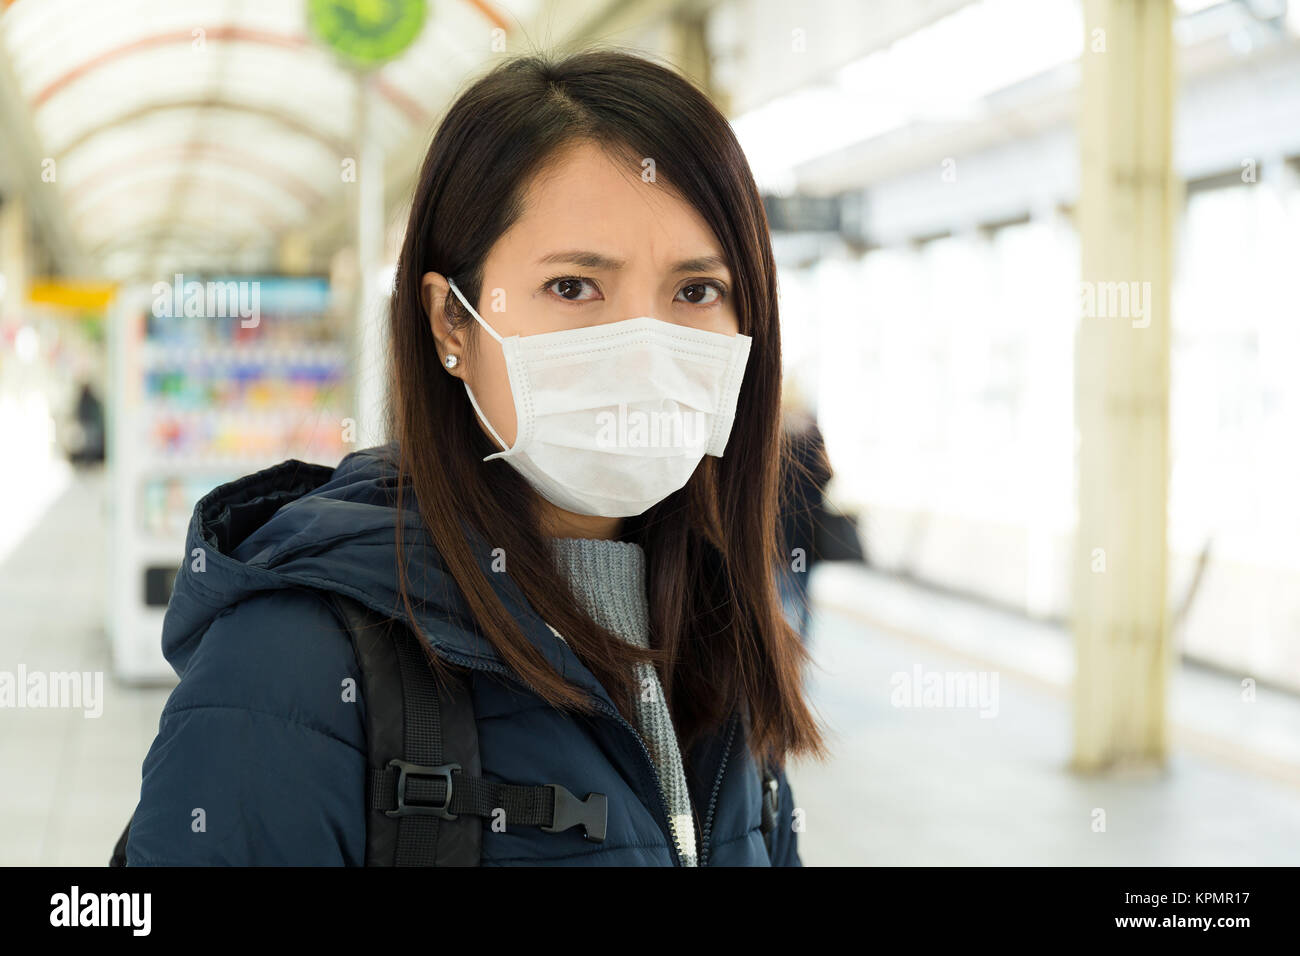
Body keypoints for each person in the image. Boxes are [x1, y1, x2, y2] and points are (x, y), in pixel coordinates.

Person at [126, 49, 826, 867]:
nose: (646, 344)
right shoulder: (293, 664)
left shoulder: (719, 638)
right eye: (573, 287)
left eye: (696, 291)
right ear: (451, 324)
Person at [776, 383, 834, 641]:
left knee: (780, 586)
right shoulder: (812, 433)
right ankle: (799, 639)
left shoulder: (777, 436)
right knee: (801, 584)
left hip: (780, 531)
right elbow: (828, 474)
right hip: (805, 532)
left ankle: (780, 639)